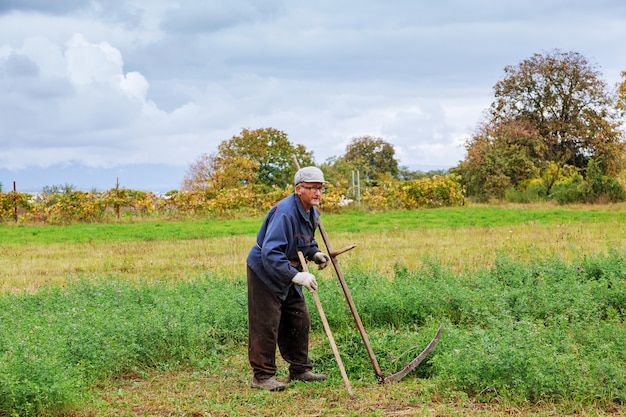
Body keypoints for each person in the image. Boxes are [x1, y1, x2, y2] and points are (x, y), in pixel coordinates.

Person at [246, 166, 332, 391]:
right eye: (312, 188)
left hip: (290, 271)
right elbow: (271, 252)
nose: (317, 193)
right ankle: (262, 377)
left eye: (320, 188)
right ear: (299, 189)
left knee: (299, 319)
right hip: (266, 269)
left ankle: (300, 370)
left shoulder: (311, 212)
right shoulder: (284, 212)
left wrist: (315, 253)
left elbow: (304, 241)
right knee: (266, 323)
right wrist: (296, 275)